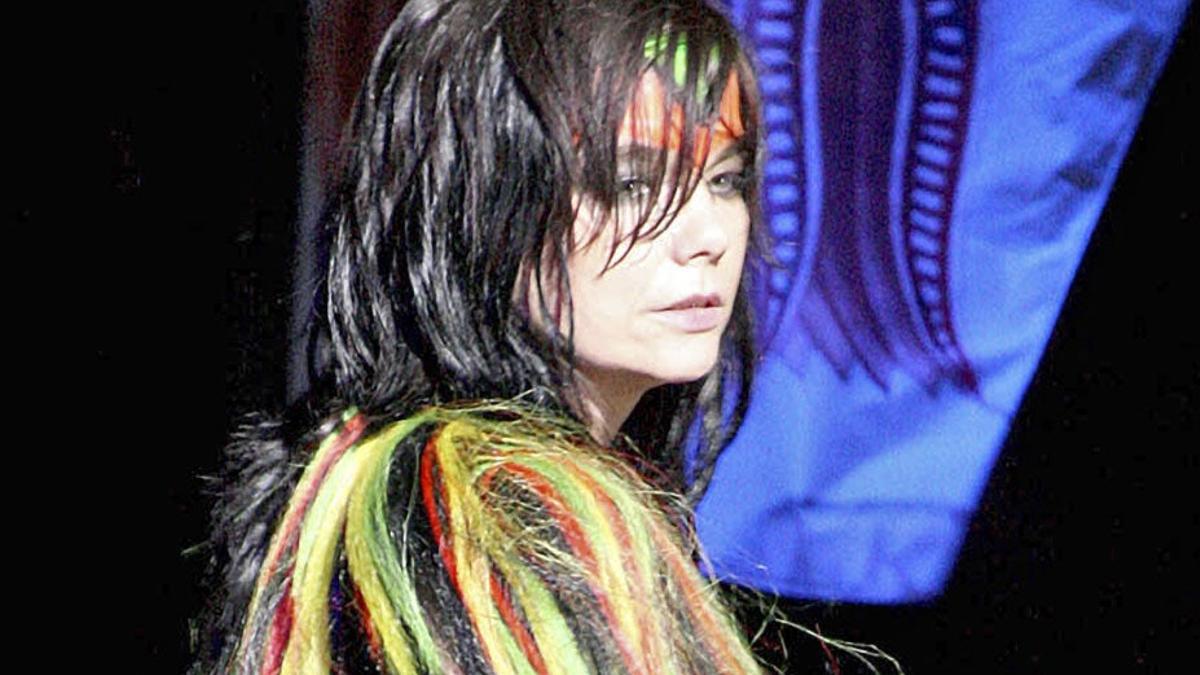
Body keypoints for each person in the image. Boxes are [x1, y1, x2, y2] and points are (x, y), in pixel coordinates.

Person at [196, 0, 766, 672]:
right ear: (484, 199)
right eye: (631, 184)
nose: (707, 237)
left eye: (725, 180)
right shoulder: (461, 509)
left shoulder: (434, 481)